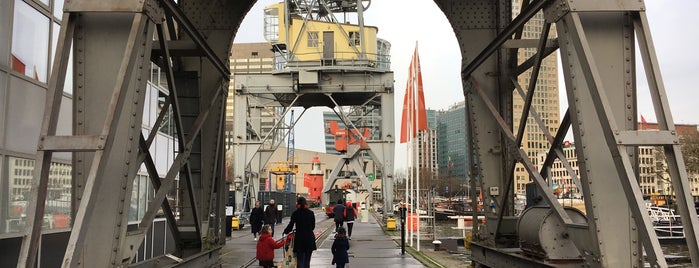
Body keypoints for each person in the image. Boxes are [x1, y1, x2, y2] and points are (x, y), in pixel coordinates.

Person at [283, 196, 316, 268]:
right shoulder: (311, 213)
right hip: (309, 238)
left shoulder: (295, 213)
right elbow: (313, 226)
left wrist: (285, 231)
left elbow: (290, 225)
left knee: (300, 260)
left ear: (298, 203)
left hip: (299, 239)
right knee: (307, 261)